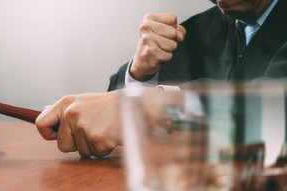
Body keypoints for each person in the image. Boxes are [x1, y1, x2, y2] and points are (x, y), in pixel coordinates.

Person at [36, 0, 287, 157]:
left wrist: (145, 111)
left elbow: (275, 108)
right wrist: (140, 74)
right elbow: (107, 107)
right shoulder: (197, 30)